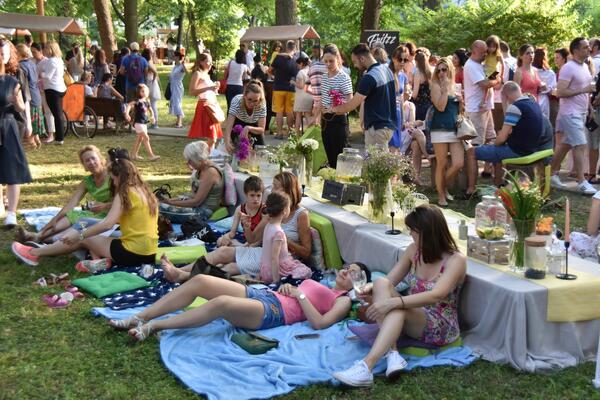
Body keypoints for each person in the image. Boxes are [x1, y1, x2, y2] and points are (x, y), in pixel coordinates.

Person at [332, 204, 466, 387]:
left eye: (413, 231)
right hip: (413, 311)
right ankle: (393, 354)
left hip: (440, 323)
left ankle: (367, 366)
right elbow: (389, 281)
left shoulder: (456, 260)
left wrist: (393, 303)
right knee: (381, 283)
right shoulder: (413, 251)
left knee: (398, 307)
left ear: (427, 233)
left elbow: (436, 295)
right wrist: (368, 289)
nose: (410, 234)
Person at [107, 262, 370, 343]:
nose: (347, 270)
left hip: (275, 311)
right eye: (348, 267)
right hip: (266, 295)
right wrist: (289, 288)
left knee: (221, 303)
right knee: (200, 281)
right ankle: (141, 316)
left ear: (358, 284)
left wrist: (299, 295)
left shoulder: (343, 301)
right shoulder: (324, 282)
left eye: (354, 273)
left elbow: (319, 323)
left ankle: (154, 326)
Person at [12, 150, 159, 269]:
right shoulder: (145, 192)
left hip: (133, 252)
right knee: (89, 231)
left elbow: (107, 224)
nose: (114, 183)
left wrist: (79, 236)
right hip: (149, 252)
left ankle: (33, 253)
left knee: (85, 237)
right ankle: (97, 262)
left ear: (120, 176)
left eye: (114, 179)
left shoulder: (124, 193)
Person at [161, 171, 312, 282]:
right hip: (261, 252)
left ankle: (183, 276)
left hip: (279, 260)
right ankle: (178, 270)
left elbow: (306, 252)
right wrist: (246, 226)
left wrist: (283, 240)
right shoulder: (272, 210)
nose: (271, 191)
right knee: (222, 252)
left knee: (230, 267)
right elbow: (252, 239)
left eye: (276, 187)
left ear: (287, 191)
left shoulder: (301, 215)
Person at [15, 145, 112, 244]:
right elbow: (72, 203)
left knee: (75, 228)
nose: (91, 162)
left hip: (110, 214)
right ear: (84, 166)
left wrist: (104, 206)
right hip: (95, 212)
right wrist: (55, 219)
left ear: (101, 160)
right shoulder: (87, 181)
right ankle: (38, 235)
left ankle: (39, 238)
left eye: (93, 158)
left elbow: (120, 202)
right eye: (87, 161)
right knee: (71, 215)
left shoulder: (112, 176)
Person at [469, 82, 547, 188]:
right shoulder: (533, 103)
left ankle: (470, 189)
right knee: (497, 150)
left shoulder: (515, 108)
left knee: (471, 152)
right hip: (532, 148)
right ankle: (499, 184)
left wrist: (494, 143)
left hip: (517, 151)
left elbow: (501, 138)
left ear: (506, 95)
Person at [550, 37, 597, 195]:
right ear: (575, 50)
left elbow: (586, 91)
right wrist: (583, 90)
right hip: (570, 113)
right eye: (585, 47)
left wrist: (590, 108)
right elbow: (560, 92)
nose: (589, 49)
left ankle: (551, 174)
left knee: (566, 144)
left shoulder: (584, 66)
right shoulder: (568, 67)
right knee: (581, 144)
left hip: (581, 112)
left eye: (589, 47)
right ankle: (582, 181)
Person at [329, 43, 397, 147]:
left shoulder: (369, 77)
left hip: (377, 128)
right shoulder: (387, 69)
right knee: (380, 157)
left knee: (374, 158)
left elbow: (351, 105)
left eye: (355, 62)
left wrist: (331, 110)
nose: (355, 66)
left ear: (362, 59)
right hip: (388, 126)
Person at [464, 40, 502, 197]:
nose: (485, 54)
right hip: (476, 111)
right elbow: (485, 84)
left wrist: (497, 74)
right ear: (474, 51)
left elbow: (493, 79)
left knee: (493, 141)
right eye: (482, 52)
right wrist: (497, 79)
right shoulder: (471, 66)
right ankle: (471, 187)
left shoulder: (480, 64)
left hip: (485, 109)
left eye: (486, 51)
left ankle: (497, 181)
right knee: (475, 148)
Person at [0, 39, 31, 227]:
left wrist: (17, 102)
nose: (1, 56)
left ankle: (11, 213)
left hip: (8, 126)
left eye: (3, 53)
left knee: (12, 169)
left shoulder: (12, 80)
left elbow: (21, 106)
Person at [159, 141, 224, 223]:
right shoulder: (202, 168)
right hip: (196, 207)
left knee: (158, 208)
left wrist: (169, 202)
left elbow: (196, 202)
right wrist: (169, 201)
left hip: (203, 212)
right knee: (157, 204)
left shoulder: (210, 173)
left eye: (190, 160)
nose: (188, 163)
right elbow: (192, 196)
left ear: (199, 159)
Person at [429, 58, 463, 207]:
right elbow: (441, 107)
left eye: (444, 69)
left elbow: (459, 111)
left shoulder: (456, 86)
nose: (441, 73)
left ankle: (442, 186)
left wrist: (461, 102)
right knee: (441, 164)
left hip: (455, 129)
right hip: (440, 129)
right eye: (439, 70)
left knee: (458, 163)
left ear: (450, 70)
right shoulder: (435, 86)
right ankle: (441, 195)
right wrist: (444, 90)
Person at [258, 192, 312, 284]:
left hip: (264, 270)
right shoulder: (279, 232)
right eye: (289, 207)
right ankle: (285, 279)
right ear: (285, 211)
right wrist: (276, 281)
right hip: (275, 272)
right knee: (307, 271)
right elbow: (274, 258)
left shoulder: (268, 226)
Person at [320, 44, 353, 167]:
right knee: (329, 154)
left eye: (331, 61)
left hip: (339, 119)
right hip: (325, 120)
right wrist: (316, 115)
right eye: (326, 61)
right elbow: (323, 99)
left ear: (338, 59)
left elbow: (350, 102)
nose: (328, 64)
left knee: (340, 156)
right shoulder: (324, 77)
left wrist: (334, 109)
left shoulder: (344, 77)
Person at [215, 176, 266, 249]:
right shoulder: (240, 209)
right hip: (245, 239)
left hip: (258, 241)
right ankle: (239, 247)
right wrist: (226, 237)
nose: (255, 199)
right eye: (252, 195)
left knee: (249, 247)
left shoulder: (264, 210)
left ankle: (240, 248)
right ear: (246, 194)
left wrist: (248, 245)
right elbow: (232, 233)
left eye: (258, 195)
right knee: (220, 241)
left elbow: (262, 236)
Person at [187, 53, 223, 150]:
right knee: (212, 137)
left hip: (211, 104)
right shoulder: (197, 74)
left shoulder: (207, 75)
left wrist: (215, 88)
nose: (211, 63)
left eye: (211, 61)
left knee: (213, 137)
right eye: (208, 61)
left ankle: (207, 155)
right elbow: (191, 91)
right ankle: (200, 152)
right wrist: (209, 88)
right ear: (201, 62)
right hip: (204, 105)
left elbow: (208, 91)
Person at [224, 80, 267, 151]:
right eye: (249, 99)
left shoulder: (262, 104)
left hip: (254, 126)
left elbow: (261, 129)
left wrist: (248, 128)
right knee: (238, 150)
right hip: (238, 123)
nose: (252, 103)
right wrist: (227, 141)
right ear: (244, 96)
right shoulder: (237, 101)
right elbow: (229, 125)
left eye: (255, 101)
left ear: (259, 100)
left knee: (260, 151)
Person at [39, 41, 67, 145]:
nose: (44, 50)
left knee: (57, 115)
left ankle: (60, 138)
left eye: (46, 48)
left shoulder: (51, 61)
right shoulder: (59, 60)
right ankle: (60, 137)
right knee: (58, 114)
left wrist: (40, 73)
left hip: (52, 89)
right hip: (60, 88)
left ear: (51, 50)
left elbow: (47, 76)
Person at [16, 44, 44, 148]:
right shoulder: (32, 63)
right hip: (36, 93)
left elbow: (23, 82)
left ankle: (31, 142)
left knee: (30, 118)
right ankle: (37, 139)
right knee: (35, 117)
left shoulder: (21, 66)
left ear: (19, 53)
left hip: (29, 94)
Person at [270, 40, 298, 138]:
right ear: (294, 48)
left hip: (278, 87)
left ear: (286, 47)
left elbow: (270, 70)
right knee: (290, 111)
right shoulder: (295, 60)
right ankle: (290, 133)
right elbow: (297, 75)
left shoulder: (278, 57)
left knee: (279, 111)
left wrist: (274, 76)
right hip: (291, 88)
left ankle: (279, 133)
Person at [124, 84, 160, 161]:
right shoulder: (137, 101)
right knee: (146, 138)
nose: (144, 93)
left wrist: (152, 116)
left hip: (144, 123)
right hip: (138, 123)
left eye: (145, 91)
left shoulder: (146, 102)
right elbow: (129, 105)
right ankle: (151, 155)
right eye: (142, 91)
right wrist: (127, 114)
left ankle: (133, 155)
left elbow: (151, 110)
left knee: (139, 139)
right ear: (138, 92)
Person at [533, 47, 557, 119]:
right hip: (543, 99)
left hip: (532, 99)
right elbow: (552, 90)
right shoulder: (550, 73)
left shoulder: (530, 71)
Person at [307, 46, 328, 125]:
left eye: (315, 52)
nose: (313, 54)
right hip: (322, 99)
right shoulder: (314, 63)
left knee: (319, 123)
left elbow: (306, 87)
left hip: (320, 100)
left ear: (321, 51)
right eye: (313, 52)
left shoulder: (314, 66)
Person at [141, 48, 161, 129]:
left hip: (150, 84)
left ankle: (155, 123)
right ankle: (153, 122)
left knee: (152, 105)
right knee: (151, 104)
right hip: (151, 83)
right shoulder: (150, 62)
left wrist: (152, 80)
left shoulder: (148, 63)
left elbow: (155, 73)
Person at [293, 56, 313, 133]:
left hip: (301, 96)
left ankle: (297, 134)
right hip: (310, 95)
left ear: (301, 63)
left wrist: (293, 82)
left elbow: (301, 86)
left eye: (297, 64)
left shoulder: (300, 72)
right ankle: (311, 133)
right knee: (308, 115)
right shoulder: (311, 71)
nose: (297, 66)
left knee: (298, 115)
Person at [411, 51, 433, 121]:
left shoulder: (418, 73)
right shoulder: (431, 72)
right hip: (430, 105)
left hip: (420, 106)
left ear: (417, 61)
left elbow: (415, 94)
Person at [168, 51, 187, 128]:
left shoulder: (181, 66)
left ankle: (180, 122)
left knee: (177, 103)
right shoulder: (175, 66)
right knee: (174, 102)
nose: (173, 57)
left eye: (174, 56)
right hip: (173, 86)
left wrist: (183, 64)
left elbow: (186, 71)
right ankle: (178, 120)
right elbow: (172, 75)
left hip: (178, 86)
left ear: (178, 57)